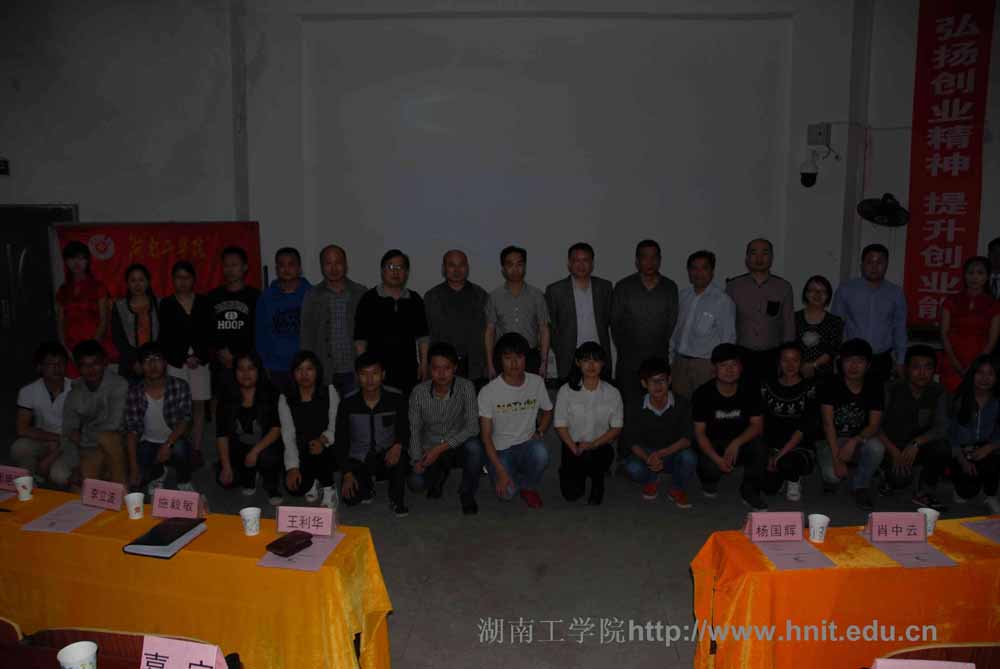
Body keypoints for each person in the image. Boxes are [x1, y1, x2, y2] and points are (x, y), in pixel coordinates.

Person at [408, 342, 484, 514]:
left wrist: (439, 449)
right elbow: (414, 429)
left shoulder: (466, 387)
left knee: (475, 447)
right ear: (429, 369)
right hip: (429, 446)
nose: (441, 374)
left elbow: (473, 428)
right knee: (416, 483)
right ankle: (439, 474)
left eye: (447, 368)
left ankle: (467, 492)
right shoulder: (418, 392)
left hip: (457, 444)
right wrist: (416, 459)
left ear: (455, 368)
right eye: (436, 368)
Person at [478, 333, 552, 508]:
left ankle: (527, 486)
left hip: (527, 445)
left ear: (526, 358)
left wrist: (540, 431)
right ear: (500, 360)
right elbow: (486, 437)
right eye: (508, 358)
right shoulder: (488, 391)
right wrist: (501, 472)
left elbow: (548, 411)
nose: (514, 363)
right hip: (500, 451)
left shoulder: (536, 382)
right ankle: (503, 473)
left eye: (519, 357)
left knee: (542, 453)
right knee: (507, 494)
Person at [692, 343, 768, 510]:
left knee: (760, 446)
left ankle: (750, 491)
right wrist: (717, 459)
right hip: (713, 443)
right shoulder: (702, 394)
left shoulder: (750, 390)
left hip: (740, 442)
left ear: (741, 367)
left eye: (734, 364)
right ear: (714, 368)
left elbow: (757, 426)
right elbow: (699, 433)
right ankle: (709, 482)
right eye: (723, 365)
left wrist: (736, 443)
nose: (729, 369)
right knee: (709, 467)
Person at [876, 345, 950, 510]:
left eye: (928, 367)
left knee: (943, 446)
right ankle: (886, 475)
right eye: (916, 367)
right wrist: (893, 451)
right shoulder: (890, 388)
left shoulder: (939, 391)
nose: (922, 373)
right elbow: (875, 426)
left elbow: (942, 427)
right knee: (899, 482)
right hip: (891, 446)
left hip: (918, 446)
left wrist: (916, 443)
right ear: (907, 369)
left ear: (934, 370)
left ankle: (925, 492)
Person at [336, 353, 410, 516]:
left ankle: (396, 499)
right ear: (357, 377)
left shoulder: (396, 398)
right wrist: (347, 473)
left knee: (401, 456)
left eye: (375, 373)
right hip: (359, 457)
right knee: (350, 499)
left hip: (387, 455)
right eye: (364, 374)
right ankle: (367, 486)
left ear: (383, 375)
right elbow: (341, 440)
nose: (370, 380)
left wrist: (398, 444)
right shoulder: (347, 403)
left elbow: (405, 428)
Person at [816, 339, 885, 510]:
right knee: (832, 476)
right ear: (841, 363)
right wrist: (836, 458)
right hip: (830, 439)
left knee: (877, 447)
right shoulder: (830, 383)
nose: (853, 366)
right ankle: (834, 473)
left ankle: (861, 486)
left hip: (857, 439)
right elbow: (827, 424)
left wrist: (854, 441)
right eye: (848, 360)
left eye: (859, 361)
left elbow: (874, 425)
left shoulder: (874, 385)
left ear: (868, 365)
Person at [611, 239, 679, 410]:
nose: (650, 262)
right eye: (644, 257)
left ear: (660, 260)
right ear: (637, 261)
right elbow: (615, 324)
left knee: (659, 408)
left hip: (659, 359)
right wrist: (627, 349)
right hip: (629, 362)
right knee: (629, 407)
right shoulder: (623, 286)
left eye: (654, 257)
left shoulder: (669, 287)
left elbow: (671, 324)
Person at [620, 356, 696, 508]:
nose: (658, 385)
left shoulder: (682, 403)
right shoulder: (634, 405)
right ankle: (651, 480)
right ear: (644, 383)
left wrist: (662, 453)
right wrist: (648, 458)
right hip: (646, 453)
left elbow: (687, 438)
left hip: (672, 452)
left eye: (662, 380)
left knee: (689, 458)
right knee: (632, 468)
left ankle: (677, 488)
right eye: (652, 381)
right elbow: (631, 440)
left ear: (669, 380)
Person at [553, 342, 622, 505]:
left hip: (599, 447)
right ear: (578, 363)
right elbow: (560, 424)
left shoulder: (612, 392)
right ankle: (574, 472)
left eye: (596, 360)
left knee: (593, 457)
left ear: (603, 363)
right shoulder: (566, 390)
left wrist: (593, 444)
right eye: (586, 360)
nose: (591, 365)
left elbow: (616, 427)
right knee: (571, 495)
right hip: (573, 446)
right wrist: (573, 447)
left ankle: (598, 481)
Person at [354, 249, 429, 395]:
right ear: (382, 271)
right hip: (376, 373)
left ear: (406, 272)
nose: (395, 272)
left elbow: (423, 338)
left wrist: (424, 364)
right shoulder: (368, 299)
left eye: (400, 267)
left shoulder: (415, 299)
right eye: (390, 267)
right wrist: (363, 369)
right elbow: (360, 340)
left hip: (407, 370)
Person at [831, 244, 907, 386]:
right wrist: (835, 357)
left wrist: (901, 361)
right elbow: (836, 326)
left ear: (886, 265)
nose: (874, 267)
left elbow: (900, 329)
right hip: (851, 359)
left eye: (879, 262)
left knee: (879, 398)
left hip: (881, 359)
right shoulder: (846, 289)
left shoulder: (896, 293)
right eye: (870, 262)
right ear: (862, 264)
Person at [215, 351, 284, 505]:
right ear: (234, 372)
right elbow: (221, 434)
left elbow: (276, 428)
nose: (246, 373)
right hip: (239, 447)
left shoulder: (271, 392)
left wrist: (255, 452)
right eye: (241, 369)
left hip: (266, 445)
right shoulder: (226, 395)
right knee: (226, 481)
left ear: (258, 371)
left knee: (268, 457)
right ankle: (250, 475)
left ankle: (271, 485)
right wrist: (226, 466)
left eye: (251, 368)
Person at [158, 261, 212, 456]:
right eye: (178, 277)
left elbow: (210, 333)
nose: (183, 281)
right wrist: (183, 357)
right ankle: (179, 446)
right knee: (179, 407)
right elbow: (165, 337)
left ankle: (196, 448)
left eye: (187, 277)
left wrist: (198, 356)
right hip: (176, 362)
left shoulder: (204, 301)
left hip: (201, 361)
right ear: (173, 280)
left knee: (198, 404)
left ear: (193, 279)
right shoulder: (166, 304)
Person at [125, 342, 194, 494]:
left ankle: (184, 480)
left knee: (180, 449)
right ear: (140, 366)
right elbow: (132, 430)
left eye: (157, 358)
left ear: (165, 363)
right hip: (148, 442)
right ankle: (158, 474)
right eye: (147, 360)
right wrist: (133, 468)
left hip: (174, 440)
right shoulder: (134, 392)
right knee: (140, 471)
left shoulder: (180, 385)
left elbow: (185, 420)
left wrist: (168, 444)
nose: (152, 364)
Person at [725, 238, 795, 387]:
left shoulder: (784, 287)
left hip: (772, 356)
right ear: (747, 258)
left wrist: (786, 360)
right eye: (754, 253)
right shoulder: (733, 286)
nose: (759, 258)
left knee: (770, 395)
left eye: (765, 253)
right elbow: (726, 325)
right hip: (741, 355)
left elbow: (789, 327)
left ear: (772, 257)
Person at [301, 245, 367, 399]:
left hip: (353, 369)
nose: (333, 268)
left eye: (338, 263)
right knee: (326, 412)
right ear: (321, 266)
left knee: (353, 411)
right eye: (328, 263)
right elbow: (306, 334)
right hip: (324, 370)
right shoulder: (312, 295)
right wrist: (309, 368)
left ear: (346, 265)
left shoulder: (360, 293)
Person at [61, 340, 129, 486]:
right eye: (84, 365)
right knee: (81, 488)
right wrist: (75, 466)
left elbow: (114, 425)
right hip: (90, 448)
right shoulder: (74, 393)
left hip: (118, 444)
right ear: (78, 367)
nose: (90, 369)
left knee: (108, 438)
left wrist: (83, 435)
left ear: (105, 362)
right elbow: (68, 432)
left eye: (95, 363)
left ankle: (122, 490)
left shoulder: (119, 384)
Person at [545, 243, 614, 384]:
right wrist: (560, 349)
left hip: (599, 356)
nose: (581, 265)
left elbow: (609, 319)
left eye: (585, 260)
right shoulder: (555, 290)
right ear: (569, 264)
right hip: (570, 358)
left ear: (592, 263)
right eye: (576, 260)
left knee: (602, 394)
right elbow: (551, 325)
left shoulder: (605, 287)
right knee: (570, 395)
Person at [670, 250, 736, 398]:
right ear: (689, 271)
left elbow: (728, 339)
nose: (699, 273)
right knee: (681, 407)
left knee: (705, 406)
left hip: (706, 367)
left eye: (704, 268)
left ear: (712, 271)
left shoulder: (722, 301)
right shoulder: (682, 296)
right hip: (680, 364)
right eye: (694, 268)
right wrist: (672, 359)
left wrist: (721, 368)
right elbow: (675, 331)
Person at [280, 351, 341, 508]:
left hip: (328, 446)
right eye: (299, 369)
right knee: (295, 488)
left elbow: (335, 426)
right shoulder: (285, 398)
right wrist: (292, 467)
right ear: (293, 373)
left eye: (309, 369)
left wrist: (322, 440)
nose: (304, 374)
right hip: (302, 450)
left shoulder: (330, 391)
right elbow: (288, 435)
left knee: (317, 448)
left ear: (317, 371)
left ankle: (329, 488)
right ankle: (314, 480)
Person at [9, 342, 75, 488]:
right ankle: (30, 482)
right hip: (45, 439)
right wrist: (55, 439)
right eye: (51, 364)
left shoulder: (76, 389)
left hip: (71, 443)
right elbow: (22, 429)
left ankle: (42, 474)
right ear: (40, 367)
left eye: (61, 363)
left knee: (59, 476)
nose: (57, 368)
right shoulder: (28, 391)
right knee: (19, 448)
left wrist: (56, 451)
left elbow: (80, 433)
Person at [760, 342, 818, 502]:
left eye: (795, 360)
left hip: (800, 445)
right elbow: (761, 423)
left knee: (787, 463)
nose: (790, 365)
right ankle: (781, 473)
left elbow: (803, 429)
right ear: (779, 362)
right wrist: (769, 454)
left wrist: (780, 455)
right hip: (773, 444)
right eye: (785, 360)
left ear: (801, 362)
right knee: (768, 488)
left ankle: (794, 479)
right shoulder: (766, 386)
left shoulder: (810, 388)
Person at [423, 250, 490, 384]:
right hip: (442, 368)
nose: (456, 270)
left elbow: (489, 333)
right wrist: (425, 365)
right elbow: (425, 336)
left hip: (475, 368)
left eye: (461, 265)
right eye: (451, 265)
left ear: (467, 268)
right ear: (443, 268)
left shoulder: (481, 295)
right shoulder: (431, 297)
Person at [485, 246, 551, 378]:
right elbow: (490, 331)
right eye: (510, 264)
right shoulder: (494, 296)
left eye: (519, 264)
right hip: (503, 357)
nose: (515, 269)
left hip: (530, 357)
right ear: (503, 268)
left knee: (532, 392)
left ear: (525, 267)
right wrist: (490, 364)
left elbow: (544, 329)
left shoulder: (537, 295)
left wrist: (544, 362)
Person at [255, 247, 311, 393]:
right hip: (275, 367)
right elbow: (260, 333)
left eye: (291, 264)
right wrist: (264, 363)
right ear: (276, 269)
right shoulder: (266, 297)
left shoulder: (312, 295)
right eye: (281, 265)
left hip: (305, 366)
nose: (286, 269)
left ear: (299, 268)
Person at [206, 246, 260, 396]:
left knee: (247, 400)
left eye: (234, 265)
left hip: (247, 362)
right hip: (220, 361)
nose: (230, 270)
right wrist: (220, 350)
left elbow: (257, 330)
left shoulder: (255, 296)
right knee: (219, 402)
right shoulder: (213, 296)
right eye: (226, 265)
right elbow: (208, 329)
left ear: (245, 267)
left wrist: (238, 354)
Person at [940, 256, 1000, 392]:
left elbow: (992, 341)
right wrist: (955, 363)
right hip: (952, 360)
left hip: (980, 363)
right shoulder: (951, 300)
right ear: (964, 275)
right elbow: (944, 334)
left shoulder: (993, 305)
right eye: (970, 272)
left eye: (980, 273)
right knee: (949, 400)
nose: (974, 277)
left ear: (987, 277)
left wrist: (975, 366)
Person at [949, 356, 1000, 515]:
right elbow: (949, 435)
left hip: (988, 448)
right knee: (966, 492)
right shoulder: (959, 400)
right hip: (962, 451)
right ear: (972, 374)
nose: (985, 378)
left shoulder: (997, 401)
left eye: (990, 373)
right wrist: (962, 460)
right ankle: (962, 485)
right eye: (980, 372)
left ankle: (991, 495)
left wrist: (989, 447)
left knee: (994, 460)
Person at [55, 241, 111, 377]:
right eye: (72, 258)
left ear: (87, 261)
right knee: (74, 386)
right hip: (70, 349)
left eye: (81, 258)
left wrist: (91, 348)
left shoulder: (98, 287)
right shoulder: (63, 290)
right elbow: (60, 321)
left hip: (94, 345)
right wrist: (65, 348)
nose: (76, 263)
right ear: (66, 261)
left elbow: (104, 321)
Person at [111, 263, 159, 382]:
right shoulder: (119, 306)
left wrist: (152, 360)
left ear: (148, 282)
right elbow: (118, 337)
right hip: (129, 363)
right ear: (127, 283)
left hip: (156, 361)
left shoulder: (160, 304)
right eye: (133, 280)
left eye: (141, 280)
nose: (137, 285)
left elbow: (165, 334)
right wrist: (134, 361)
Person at [795, 275, 843, 378]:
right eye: (813, 290)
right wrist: (801, 365)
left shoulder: (835, 321)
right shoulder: (794, 318)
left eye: (823, 291)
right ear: (806, 294)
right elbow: (789, 345)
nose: (817, 294)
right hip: (795, 371)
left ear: (828, 296)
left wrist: (813, 365)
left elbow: (833, 349)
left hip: (824, 374)